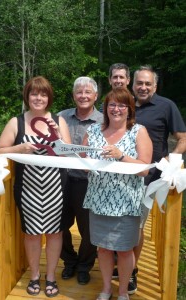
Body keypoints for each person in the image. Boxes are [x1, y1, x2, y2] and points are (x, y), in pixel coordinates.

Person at [0, 76, 71, 297]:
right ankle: (35, 276)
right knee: (32, 234)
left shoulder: (59, 120)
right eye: (34, 93)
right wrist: (20, 147)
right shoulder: (16, 122)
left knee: (55, 233)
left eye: (43, 94)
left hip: (56, 188)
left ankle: (51, 277)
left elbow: (69, 153)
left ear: (49, 97)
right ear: (27, 96)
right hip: (28, 189)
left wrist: (58, 136)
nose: (39, 98)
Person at [82, 87, 153, 300]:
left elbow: (144, 168)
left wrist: (121, 156)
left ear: (130, 109)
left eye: (122, 105)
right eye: (112, 104)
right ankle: (105, 289)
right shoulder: (93, 131)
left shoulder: (139, 131)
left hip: (127, 202)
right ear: (105, 108)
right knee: (103, 249)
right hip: (98, 201)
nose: (116, 109)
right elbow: (83, 163)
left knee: (124, 250)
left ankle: (123, 292)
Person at [127, 65, 186, 293]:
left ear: (155, 86)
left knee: (136, 226)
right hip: (121, 175)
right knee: (120, 221)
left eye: (147, 84)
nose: (143, 87)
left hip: (149, 178)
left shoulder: (166, 106)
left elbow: (182, 138)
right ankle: (121, 262)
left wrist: (171, 163)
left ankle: (132, 271)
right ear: (132, 85)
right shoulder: (125, 104)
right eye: (139, 83)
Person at [58, 76, 103, 284]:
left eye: (88, 92)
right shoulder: (60, 117)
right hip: (61, 180)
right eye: (79, 92)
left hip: (89, 183)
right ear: (73, 95)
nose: (83, 96)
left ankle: (85, 265)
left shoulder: (105, 120)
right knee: (58, 225)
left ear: (95, 96)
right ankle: (69, 261)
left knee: (89, 229)